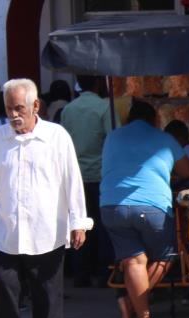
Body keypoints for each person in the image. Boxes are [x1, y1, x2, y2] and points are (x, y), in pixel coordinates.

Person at [0, 78, 91, 318]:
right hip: (7, 230)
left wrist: (78, 221)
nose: (14, 115)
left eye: (19, 109)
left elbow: (71, 181)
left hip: (46, 231)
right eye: (9, 109)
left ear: (35, 106)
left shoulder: (56, 137)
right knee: (7, 291)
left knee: (47, 293)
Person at [100, 99, 189, 318]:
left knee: (134, 261)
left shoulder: (113, 137)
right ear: (155, 120)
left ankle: (138, 314)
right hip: (152, 207)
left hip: (112, 206)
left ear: (129, 119)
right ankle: (136, 313)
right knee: (166, 256)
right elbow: (187, 170)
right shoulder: (165, 139)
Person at [59, 75, 113, 288]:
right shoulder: (104, 107)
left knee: (78, 224)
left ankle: (81, 274)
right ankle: (103, 273)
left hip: (75, 177)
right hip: (100, 175)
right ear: (98, 84)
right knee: (102, 226)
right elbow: (112, 138)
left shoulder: (68, 110)